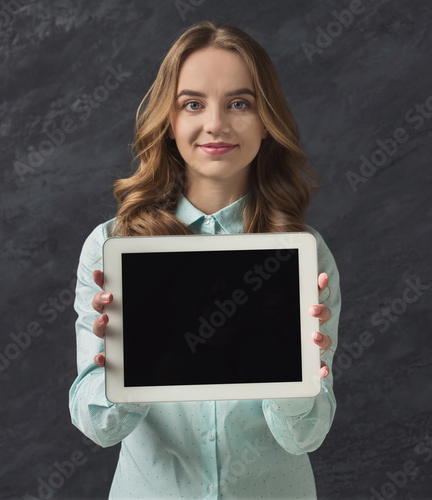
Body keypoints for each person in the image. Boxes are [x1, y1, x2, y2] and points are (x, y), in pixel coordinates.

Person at [69, 20, 341, 499]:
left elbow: (304, 436)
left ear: (266, 121)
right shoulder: (113, 245)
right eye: (193, 104)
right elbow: (97, 426)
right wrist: (126, 365)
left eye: (240, 103)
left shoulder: (304, 252)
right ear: (169, 123)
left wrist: (296, 367)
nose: (215, 123)